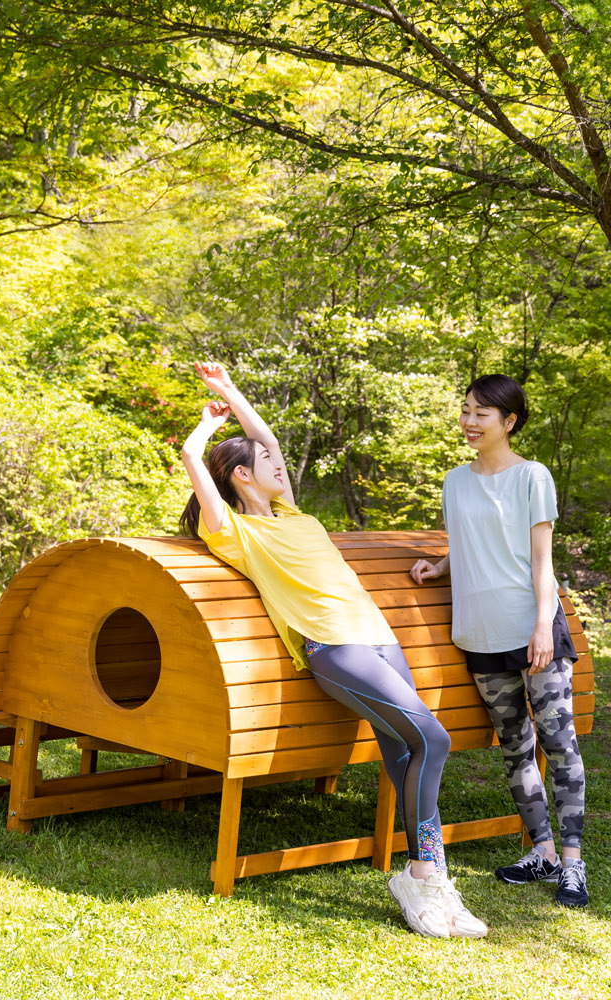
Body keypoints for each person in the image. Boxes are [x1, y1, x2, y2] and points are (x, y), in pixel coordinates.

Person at [180, 361, 487, 939]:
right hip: (335, 650)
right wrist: (204, 423)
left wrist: (230, 391)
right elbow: (196, 461)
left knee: (404, 755)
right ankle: (425, 874)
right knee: (433, 738)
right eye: (265, 462)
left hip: (379, 640)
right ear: (243, 477)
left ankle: (433, 883)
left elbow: (265, 438)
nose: (277, 460)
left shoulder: (292, 514)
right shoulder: (235, 534)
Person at [409, 373, 589, 908]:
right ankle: (542, 852)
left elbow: (541, 559)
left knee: (559, 746)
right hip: (479, 633)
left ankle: (573, 864)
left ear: (508, 422)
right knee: (515, 747)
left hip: (533, 630)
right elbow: (470, 540)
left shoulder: (533, 476)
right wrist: (438, 567)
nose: (469, 421)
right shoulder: (454, 481)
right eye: (465, 410)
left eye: (481, 413)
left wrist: (541, 625)